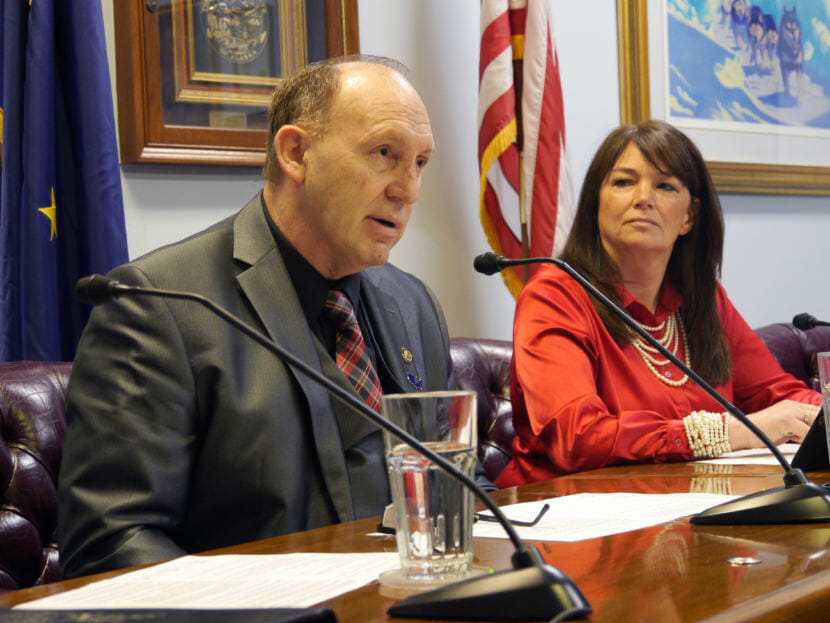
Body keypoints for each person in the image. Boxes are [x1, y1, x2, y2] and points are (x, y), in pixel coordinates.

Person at [58, 55, 463, 578]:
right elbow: (110, 543)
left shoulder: (413, 304)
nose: (407, 189)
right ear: (296, 153)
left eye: (421, 163)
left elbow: (454, 489)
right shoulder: (159, 305)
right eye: (385, 153)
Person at [495, 120, 821, 487]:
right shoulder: (555, 296)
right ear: (595, 203)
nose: (643, 197)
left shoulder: (704, 298)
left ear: (689, 217)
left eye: (665, 186)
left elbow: (777, 393)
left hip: (687, 504)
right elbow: (579, 437)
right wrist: (728, 432)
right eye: (623, 182)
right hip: (564, 517)